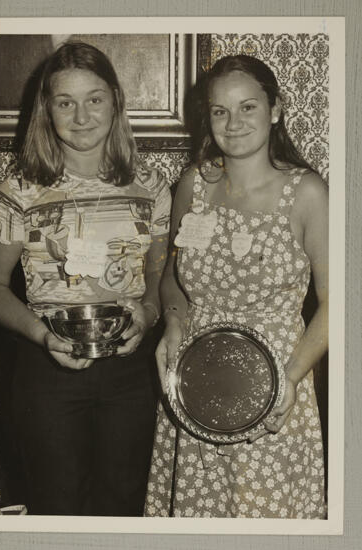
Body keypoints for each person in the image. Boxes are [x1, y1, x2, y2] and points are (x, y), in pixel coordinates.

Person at [144, 55, 328, 519]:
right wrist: (171, 326)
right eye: (220, 111)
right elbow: (173, 279)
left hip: (275, 383)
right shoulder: (195, 185)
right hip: (198, 383)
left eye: (248, 107)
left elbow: (339, 302)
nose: (234, 122)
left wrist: (289, 377)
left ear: (276, 109)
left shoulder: (306, 193)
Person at [0, 41, 171, 516]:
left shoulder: (151, 186)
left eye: (94, 99)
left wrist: (149, 312)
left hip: (130, 370)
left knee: (123, 505)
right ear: (45, 110)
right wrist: (40, 333)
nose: (81, 116)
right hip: (45, 367)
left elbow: (159, 276)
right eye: (65, 102)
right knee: (56, 508)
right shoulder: (19, 191)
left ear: (115, 101)